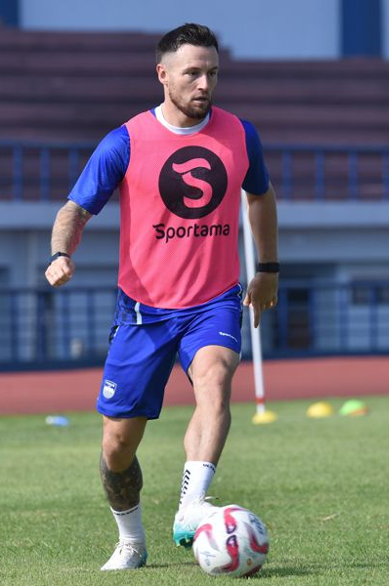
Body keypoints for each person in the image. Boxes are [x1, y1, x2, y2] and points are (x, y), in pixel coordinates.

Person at [45, 22, 279, 571]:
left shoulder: (241, 134)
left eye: (213, 73)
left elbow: (261, 197)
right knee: (117, 446)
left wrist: (266, 268)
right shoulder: (124, 141)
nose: (204, 84)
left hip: (213, 301)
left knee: (215, 381)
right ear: (163, 75)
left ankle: (191, 507)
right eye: (193, 72)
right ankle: (131, 541)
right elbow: (75, 209)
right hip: (143, 312)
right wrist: (60, 253)